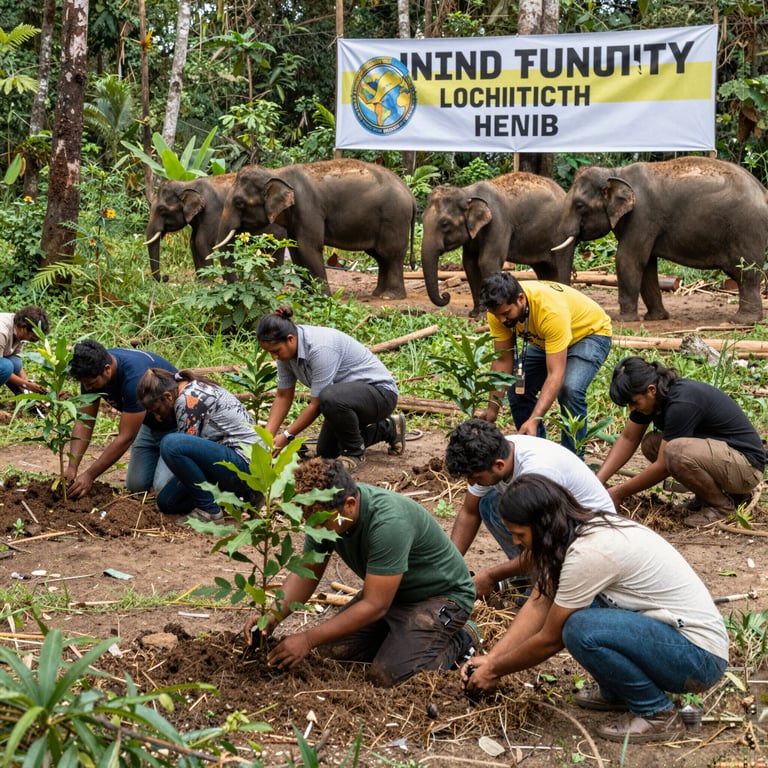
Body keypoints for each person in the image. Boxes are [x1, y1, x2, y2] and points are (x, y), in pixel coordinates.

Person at [461, 474, 728, 743]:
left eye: (520, 534)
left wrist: (494, 670)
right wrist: (492, 659)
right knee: (577, 609)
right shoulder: (577, 533)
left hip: (698, 658)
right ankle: (620, 692)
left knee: (578, 628)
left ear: (541, 526)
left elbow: (549, 640)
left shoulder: (589, 552)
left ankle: (656, 713)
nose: (517, 542)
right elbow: (539, 602)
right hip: (671, 641)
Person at [243, 457, 478, 687]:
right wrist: (272, 617)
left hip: (440, 599)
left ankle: (463, 637)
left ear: (350, 505)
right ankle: (399, 639)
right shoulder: (324, 514)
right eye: (309, 520)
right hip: (392, 593)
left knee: (390, 676)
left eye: (320, 521)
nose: (314, 528)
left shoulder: (388, 523)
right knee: (330, 652)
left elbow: (375, 605)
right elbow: (306, 572)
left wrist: (307, 638)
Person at [445, 419, 614, 597]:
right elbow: (469, 513)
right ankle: (529, 576)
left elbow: (547, 544)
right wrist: (448, 567)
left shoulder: (538, 471)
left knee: (559, 603)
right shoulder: (492, 454)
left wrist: (491, 576)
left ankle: (547, 582)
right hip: (555, 526)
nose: (472, 483)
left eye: (475, 477)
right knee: (488, 503)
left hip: (590, 539)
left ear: (499, 465)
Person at [596, 356, 765, 528]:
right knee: (651, 444)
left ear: (651, 390)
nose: (632, 408)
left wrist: (619, 492)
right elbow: (628, 438)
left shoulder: (681, 402)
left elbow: (662, 466)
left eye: (634, 402)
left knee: (674, 452)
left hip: (747, 468)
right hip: (725, 459)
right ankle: (709, 497)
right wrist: (597, 482)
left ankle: (721, 506)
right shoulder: (652, 398)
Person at [476, 272, 612, 455]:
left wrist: (535, 419)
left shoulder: (550, 311)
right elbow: (503, 361)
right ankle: (537, 454)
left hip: (588, 334)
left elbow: (556, 374)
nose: (502, 320)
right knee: (518, 389)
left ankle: (571, 458)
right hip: (546, 340)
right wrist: (492, 410)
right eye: (497, 315)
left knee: (569, 390)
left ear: (520, 299)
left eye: (506, 313)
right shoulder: (499, 311)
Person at [256, 306, 405, 470]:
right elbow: (283, 396)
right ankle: (389, 427)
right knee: (326, 453)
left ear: (290, 339)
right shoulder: (286, 355)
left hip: (380, 395)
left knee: (328, 397)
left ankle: (354, 453)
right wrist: (267, 439)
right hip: (347, 400)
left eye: (276, 351)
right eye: (270, 353)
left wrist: (287, 436)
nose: (274, 357)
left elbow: (316, 404)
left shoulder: (320, 348)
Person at [136, 368, 264, 524]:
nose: (158, 417)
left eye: (157, 410)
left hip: (245, 462)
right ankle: (238, 496)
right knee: (167, 502)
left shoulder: (187, 399)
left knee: (171, 444)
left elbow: (184, 450)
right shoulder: (193, 386)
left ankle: (209, 510)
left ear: (168, 396)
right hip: (233, 459)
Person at [65, 340, 178, 499]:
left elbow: (126, 437)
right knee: (136, 486)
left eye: (91, 383)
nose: (88, 388)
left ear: (107, 370)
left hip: (177, 429)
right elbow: (85, 421)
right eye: (85, 384)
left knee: (162, 489)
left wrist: (89, 475)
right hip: (149, 427)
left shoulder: (135, 378)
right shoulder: (91, 372)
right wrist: (72, 467)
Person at [0, 306, 49, 397]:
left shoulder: (19, 330)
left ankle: (24, 397)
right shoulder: (2, 332)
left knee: (16, 362)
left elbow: (16, 358)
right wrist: (26, 385)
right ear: (24, 328)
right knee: (6, 367)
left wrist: (27, 382)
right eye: (32, 339)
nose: (32, 341)